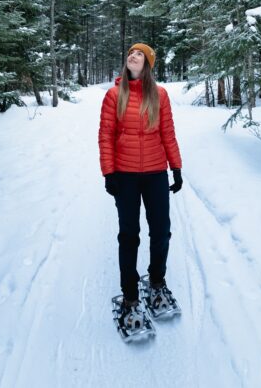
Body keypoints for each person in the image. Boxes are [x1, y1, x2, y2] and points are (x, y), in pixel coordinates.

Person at [98, 42, 183, 328]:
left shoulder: (159, 95)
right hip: (125, 175)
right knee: (129, 235)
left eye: (140, 55)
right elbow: (106, 136)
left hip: (156, 172)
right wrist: (109, 173)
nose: (133, 56)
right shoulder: (113, 95)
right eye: (131, 53)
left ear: (147, 64)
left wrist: (177, 168)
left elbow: (168, 133)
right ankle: (130, 297)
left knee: (161, 231)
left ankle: (157, 281)